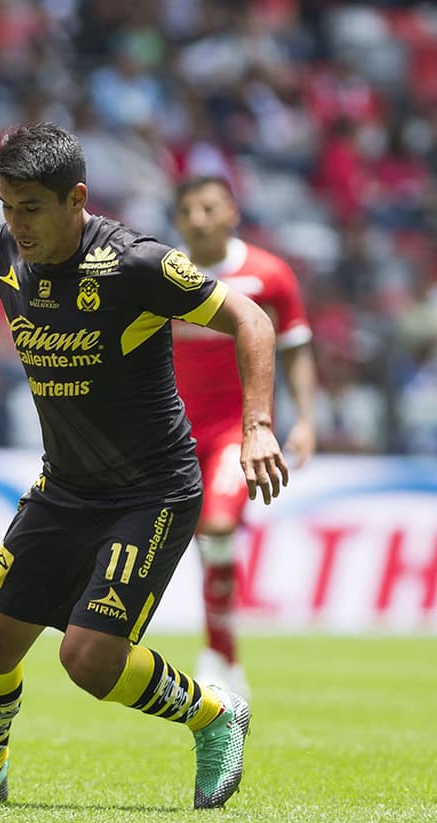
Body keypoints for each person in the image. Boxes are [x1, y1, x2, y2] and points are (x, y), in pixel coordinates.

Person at [0, 123, 288, 809]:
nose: (14, 224)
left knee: (86, 660)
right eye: (4, 206)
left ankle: (212, 712)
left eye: (29, 208)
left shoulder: (136, 262)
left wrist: (257, 427)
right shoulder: (6, 252)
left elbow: (252, 321)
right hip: (67, 487)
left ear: (75, 198)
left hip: (153, 492)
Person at [171, 176, 317, 698]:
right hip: (175, 433)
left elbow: (297, 348)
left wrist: (303, 419)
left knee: (216, 523)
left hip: (239, 429)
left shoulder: (268, 275)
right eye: (189, 210)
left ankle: (220, 657)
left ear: (232, 211)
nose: (199, 219)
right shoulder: (165, 275)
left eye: (209, 207)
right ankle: (221, 655)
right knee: (197, 537)